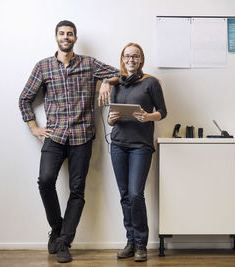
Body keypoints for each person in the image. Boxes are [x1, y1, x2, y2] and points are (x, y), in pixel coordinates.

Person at [19, 20, 119, 263]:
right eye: (62, 33)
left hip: (82, 137)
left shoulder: (89, 63)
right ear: (56, 37)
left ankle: (64, 242)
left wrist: (105, 81)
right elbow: (24, 99)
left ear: (75, 38)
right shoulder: (43, 66)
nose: (66, 37)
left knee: (77, 191)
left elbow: (118, 74)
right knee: (45, 181)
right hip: (54, 136)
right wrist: (34, 127)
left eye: (70, 34)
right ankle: (57, 227)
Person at [107, 43, 167, 262]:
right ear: (122, 58)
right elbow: (111, 115)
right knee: (124, 196)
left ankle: (141, 244)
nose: (131, 59)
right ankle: (130, 242)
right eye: (128, 56)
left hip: (141, 146)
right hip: (118, 145)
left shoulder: (151, 83)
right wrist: (110, 119)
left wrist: (148, 117)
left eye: (136, 56)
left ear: (141, 60)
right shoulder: (116, 84)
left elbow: (163, 112)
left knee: (135, 194)